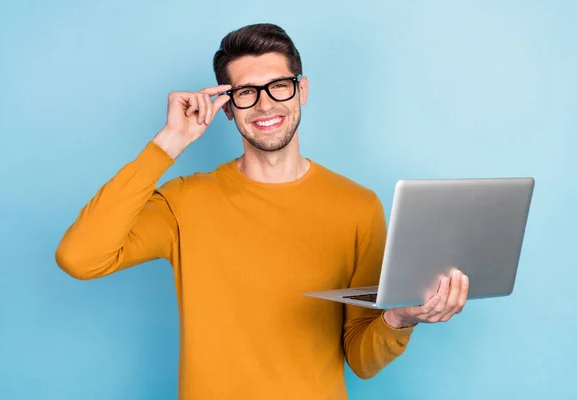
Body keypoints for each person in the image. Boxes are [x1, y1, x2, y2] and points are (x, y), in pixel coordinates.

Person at [55, 23, 469, 400]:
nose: (265, 105)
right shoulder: (185, 201)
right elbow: (80, 257)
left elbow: (361, 359)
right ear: (228, 106)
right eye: (247, 92)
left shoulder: (358, 206)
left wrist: (400, 317)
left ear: (302, 90)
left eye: (279, 87)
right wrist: (168, 143)